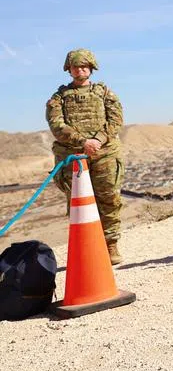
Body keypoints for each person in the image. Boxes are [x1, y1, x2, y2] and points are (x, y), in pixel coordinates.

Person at [45, 48, 126, 265]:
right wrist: (83, 142)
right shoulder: (58, 98)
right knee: (79, 204)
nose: (79, 69)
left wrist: (98, 139)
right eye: (75, 66)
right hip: (73, 157)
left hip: (104, 153)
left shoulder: (105, 92)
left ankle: (110, 244)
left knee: (109, 198)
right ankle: (87, 248)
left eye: (84, 66)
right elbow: (57, 125)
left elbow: (116, 119)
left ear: (91, 68)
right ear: (68, 69)